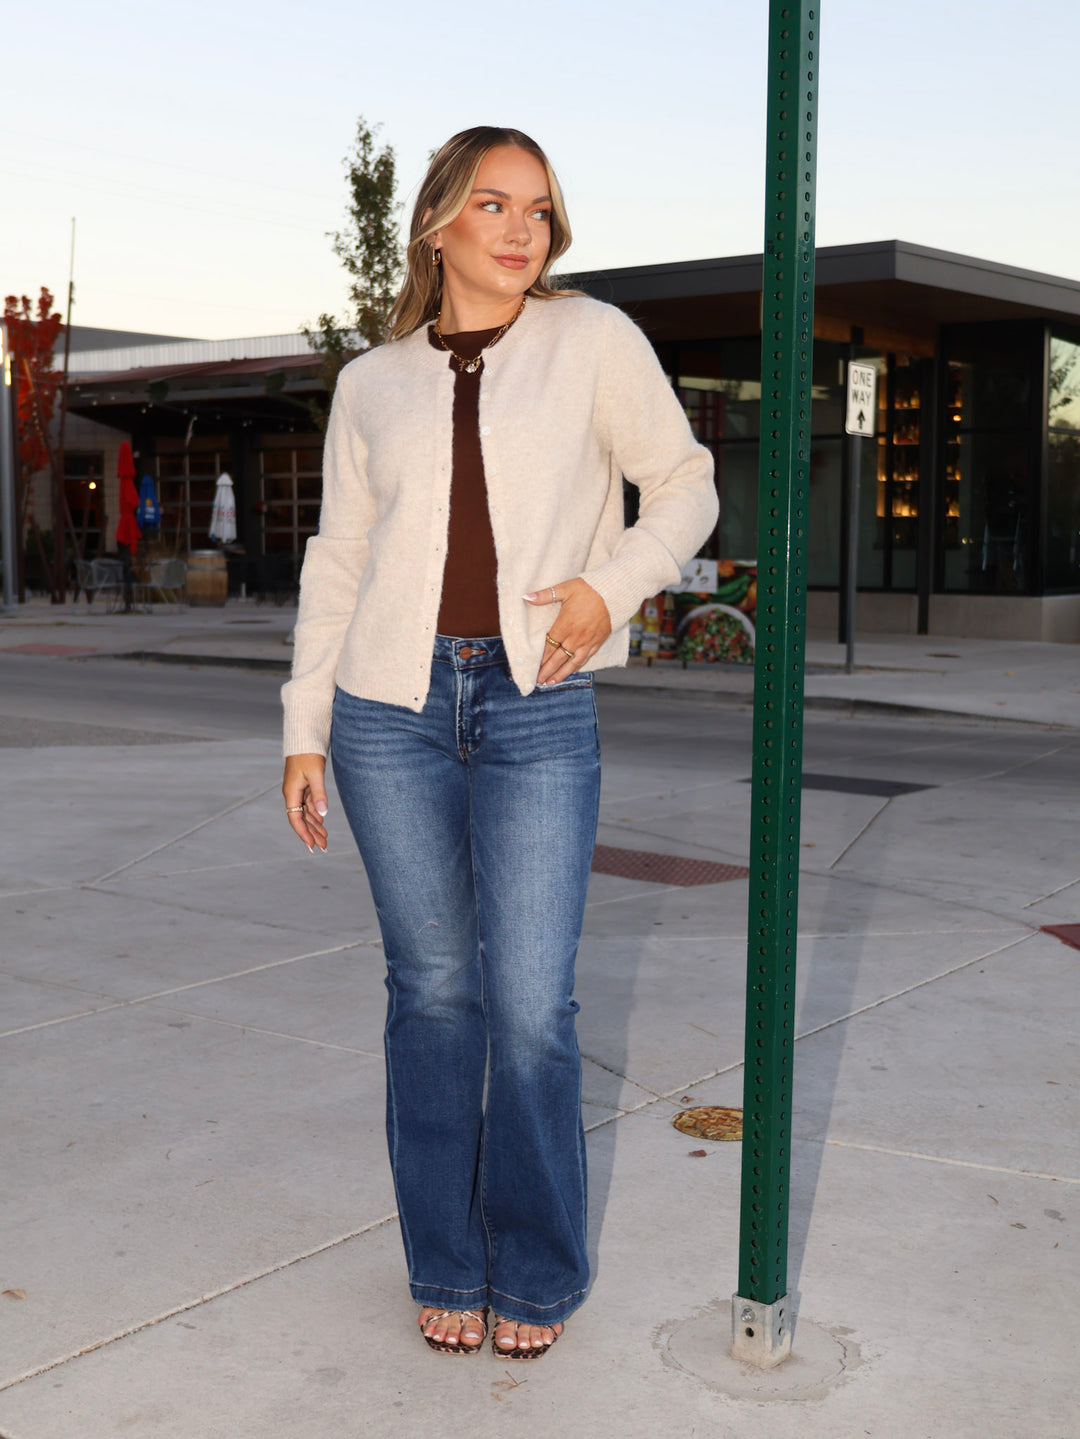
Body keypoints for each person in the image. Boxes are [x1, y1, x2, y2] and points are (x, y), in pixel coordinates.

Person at [281, 126, 717, 1360]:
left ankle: (534, 1266)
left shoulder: (593, 341)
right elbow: (340, 560)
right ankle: (446, 1260)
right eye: (493, 203)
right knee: (432, 996)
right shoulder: (372, 382)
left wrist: (610, 583)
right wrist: (305, 725)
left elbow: (684, 481)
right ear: (438, 226)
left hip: (538, 704)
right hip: (387, 711)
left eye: (538, 206)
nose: (522, 227)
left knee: (530, 1004)